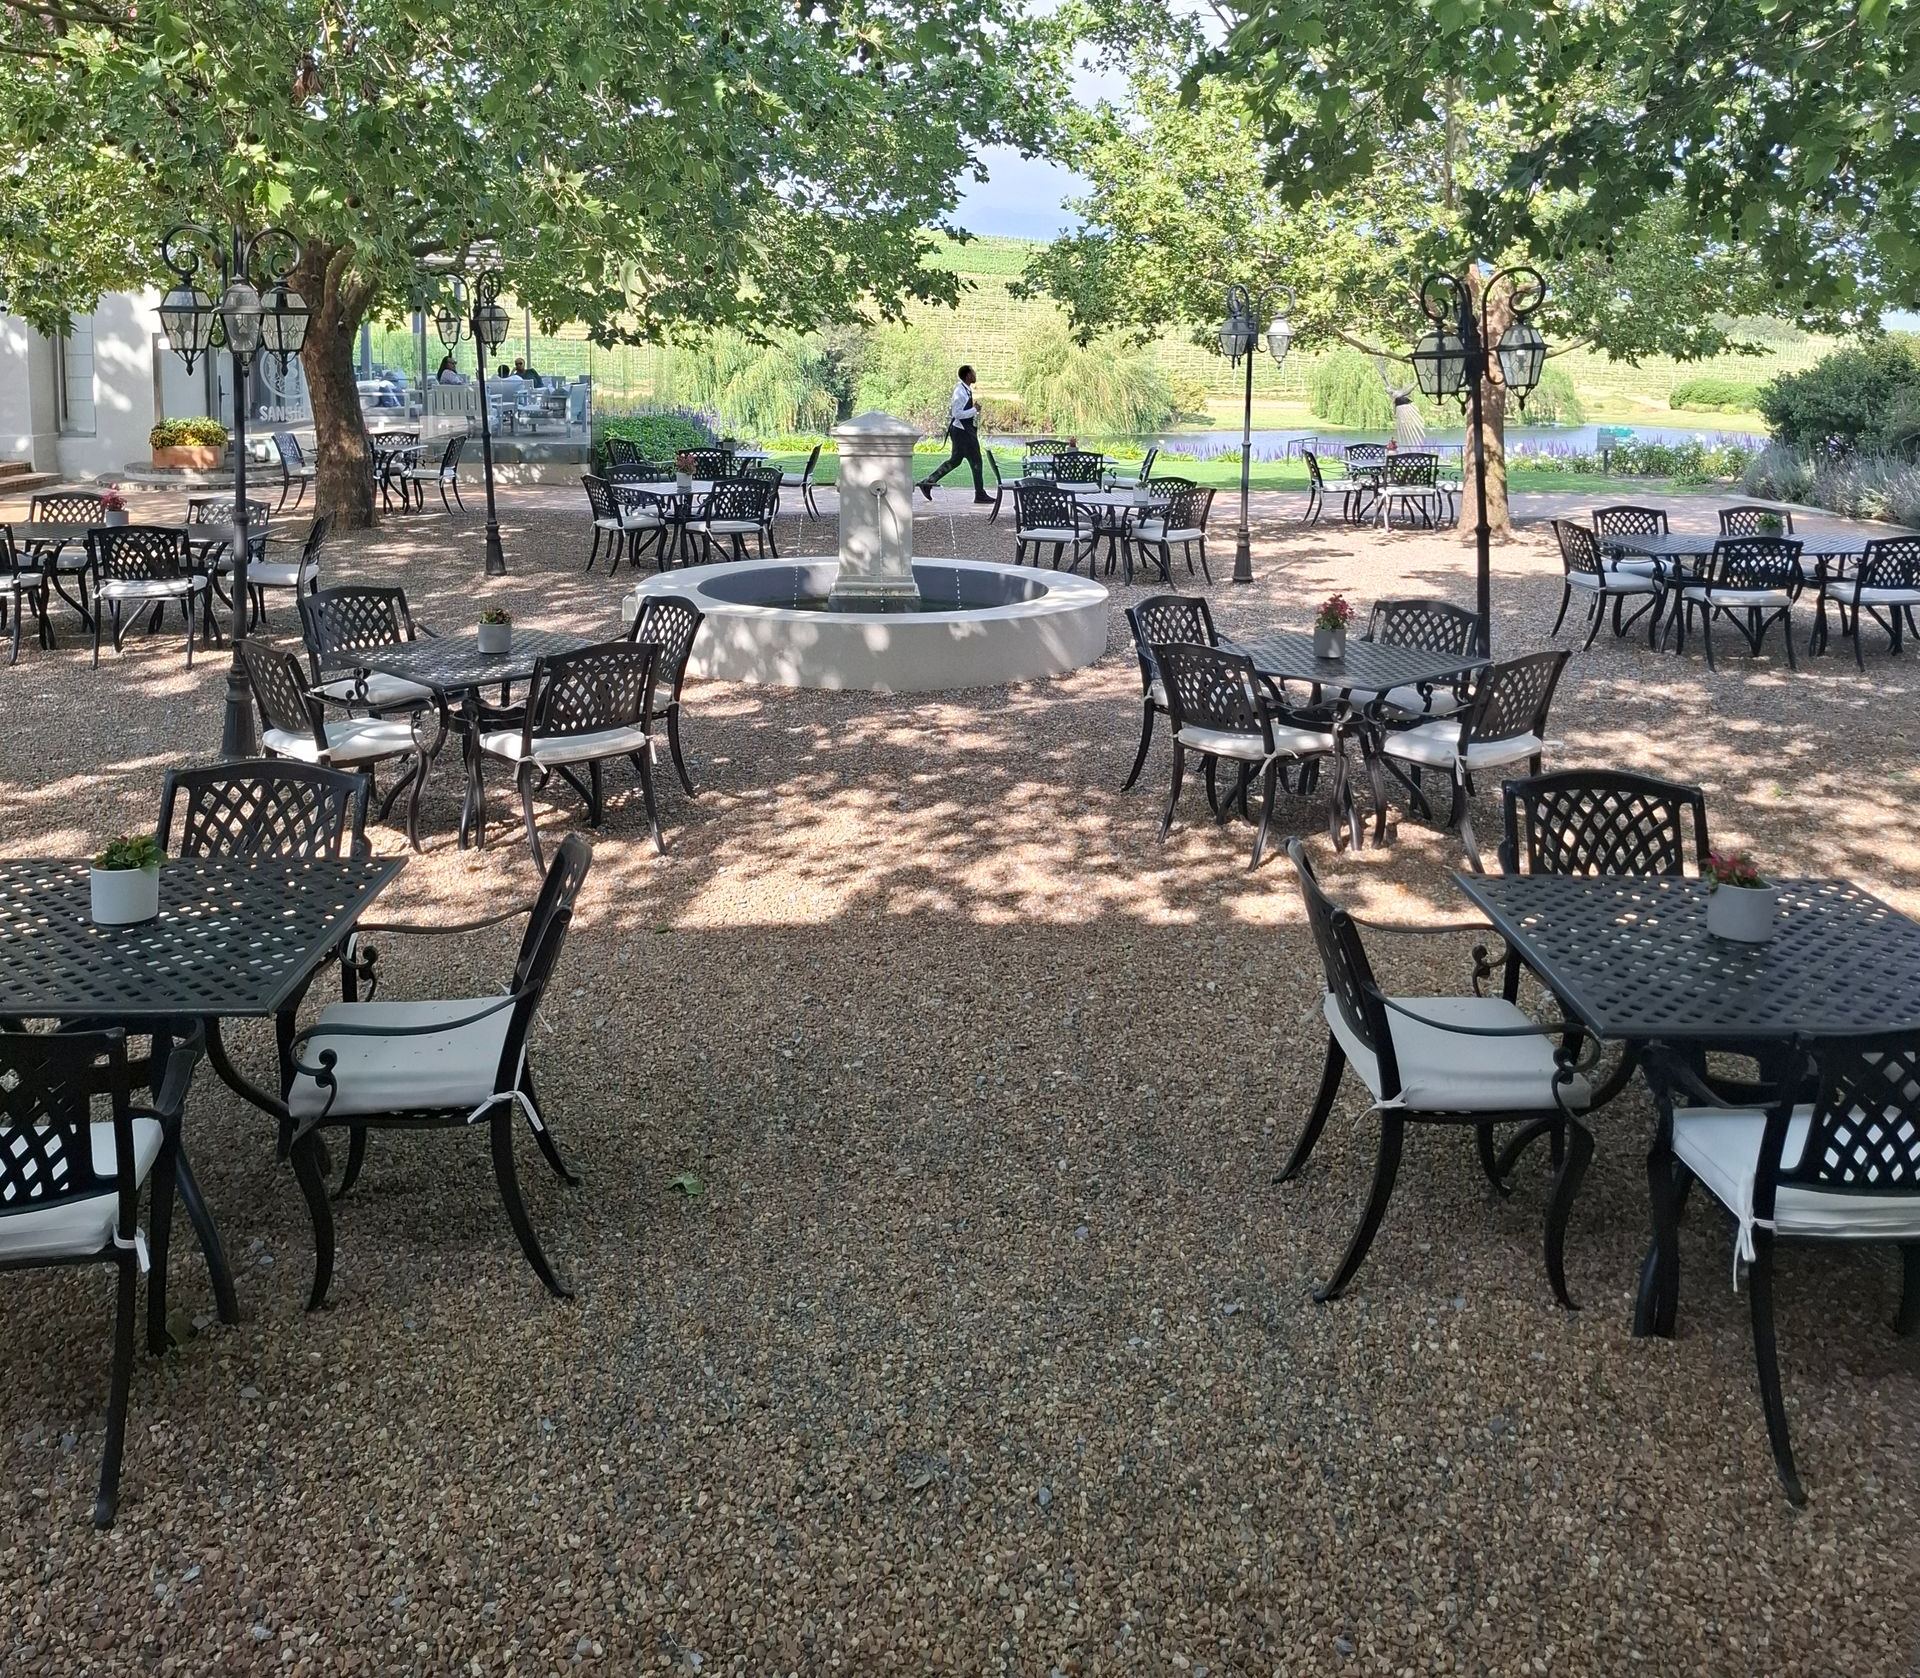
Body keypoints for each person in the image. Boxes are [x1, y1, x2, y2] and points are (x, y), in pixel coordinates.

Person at [918, 364, 991, 503]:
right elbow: (956, 413)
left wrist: (974, 411)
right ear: (968, 375)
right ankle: (980, 494)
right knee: (976, 461)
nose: (975, 374)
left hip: (963, 431)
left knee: (955, 461)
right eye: (973, 372)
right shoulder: (960, 392)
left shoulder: (965, 389)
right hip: (962, 432)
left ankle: (928, 482)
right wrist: (974, 410)